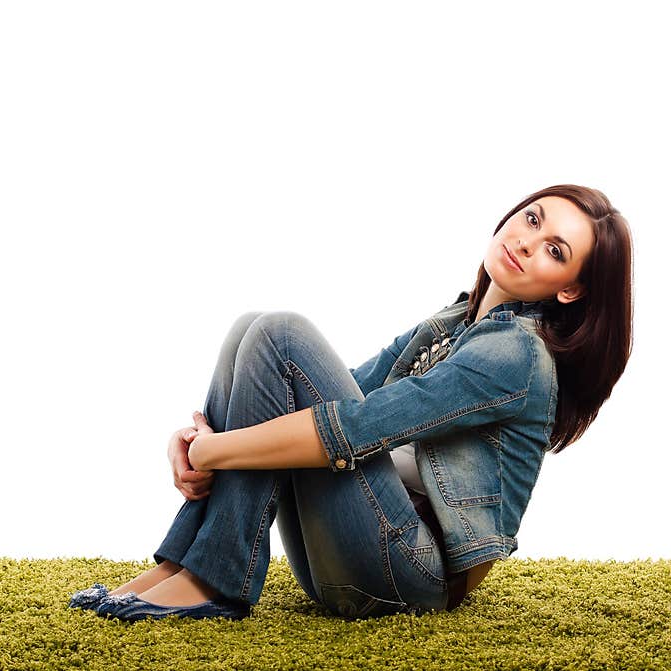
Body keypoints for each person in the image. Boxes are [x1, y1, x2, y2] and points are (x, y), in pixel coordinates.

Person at [70, 183, 634, 621]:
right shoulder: (453, 321)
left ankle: (211, 582)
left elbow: (355, 425)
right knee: (255, 331)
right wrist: (194, 443)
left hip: (410, 573)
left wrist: (214, 452)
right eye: (532, 220)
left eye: (554, 250)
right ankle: (186, 564)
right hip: (357, 548)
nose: (527, 243)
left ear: (571, 289)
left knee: (282, 335)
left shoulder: (516, 354)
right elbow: (337, 387)